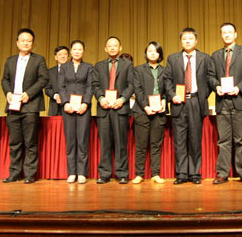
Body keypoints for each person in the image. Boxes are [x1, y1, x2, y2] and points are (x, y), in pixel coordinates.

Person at [161, 27, 211, 185]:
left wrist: (202, 96)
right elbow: (167, 79)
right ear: (181, 41)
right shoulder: (173, 58)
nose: (187, 41)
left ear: (196, 41)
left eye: (190, 38)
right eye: (184, 39)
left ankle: (195, 173)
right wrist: (172, 95)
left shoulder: (205, 58)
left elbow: (210, 80)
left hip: (196, 101)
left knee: (195, 140)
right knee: (180, 140)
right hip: (179, 102)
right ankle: (181, 173)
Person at [208, 22, 242, 185]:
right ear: (221, 35)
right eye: (224, 32)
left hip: (240, 100)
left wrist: (239, 88)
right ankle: (222, 173)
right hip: (222, 101)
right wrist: (216, 87)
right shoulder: (215, 55)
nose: (227, 34)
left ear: (235, 34)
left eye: (230, 32)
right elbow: (210, 76)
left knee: (241, 140)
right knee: (223, 140)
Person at [1, 28, 49, 184]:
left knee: (30, 142)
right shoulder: (10, 60)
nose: (26, 43)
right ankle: (14, 173)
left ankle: (29, 174)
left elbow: (44, 79)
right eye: (23, 40)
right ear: (17, 42)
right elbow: (5, 80)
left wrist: (29, 93)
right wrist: (8, 93)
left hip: (30, 106)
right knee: (15, 142)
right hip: (13, 105)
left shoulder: (38, 60)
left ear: (32, 43)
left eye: (29, 41)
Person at [91, 36, 134, 184]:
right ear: (105, 49)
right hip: (104, 109)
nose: (112, 47)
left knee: (121, 143)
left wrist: (122, 99)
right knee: (105, 143)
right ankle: (104, 173)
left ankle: (122, 173)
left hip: (120, 108)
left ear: (120, 48)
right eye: (110, 45)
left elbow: (131, 85)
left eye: (115, 45)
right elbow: (95, 85)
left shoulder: (128, 65)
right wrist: (101, 98)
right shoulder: (98, 66)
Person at [131, 42, 167, 184]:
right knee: (141, 145)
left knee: (155, 145)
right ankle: (139, 174)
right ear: (146, 53)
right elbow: (138, 90)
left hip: (159, 112)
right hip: (142, 111)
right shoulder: (138, 70)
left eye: (156, 51)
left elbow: (167, 89)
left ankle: (155, 174)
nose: (152, 53)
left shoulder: (165, 70)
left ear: (160, 54)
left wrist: (164, 100)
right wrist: (145, 106)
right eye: (150, 50)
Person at [58, 40, 94, 184]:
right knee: (70, 140)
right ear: (71, 51)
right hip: (68, 108)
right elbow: (61, 86)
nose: (77, 51)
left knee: (82, 140)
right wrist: (65, 102)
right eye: (75, 49)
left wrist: (85, 103)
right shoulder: (64, 67)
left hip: (83, 108)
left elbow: (90, 87)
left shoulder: (88, 67)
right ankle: (71, 172)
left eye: (80, 49)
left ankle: (82, 173)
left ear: (83, 51)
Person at [45, 45, 69, 116]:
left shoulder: (74, 71)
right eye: (60, 54)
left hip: (70, 106)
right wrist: (56, 96)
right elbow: (47, 89)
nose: (63, 56)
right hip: (54, 107)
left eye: (65, 54)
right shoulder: (50, 72)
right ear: (55, 57)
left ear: (68, 57)